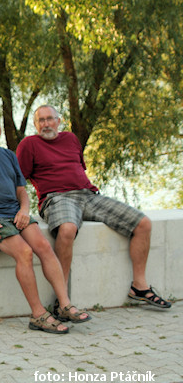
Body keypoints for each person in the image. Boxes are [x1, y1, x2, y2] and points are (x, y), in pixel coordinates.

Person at [16, 105, 171, 309]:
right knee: (67, 229)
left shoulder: (71, 139)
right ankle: (63, 300)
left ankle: (139, 286)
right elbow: (17, 181)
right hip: (56, 198)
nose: (46, 124)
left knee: (142, 223)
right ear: (35, 125)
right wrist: (21, 209)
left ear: (58, 121)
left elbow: (77, 169)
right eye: (41, 121)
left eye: (49, 119)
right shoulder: (29, 144)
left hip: (88, 195)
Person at [0, 108, 91, 334]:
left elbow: (21, 191)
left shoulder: (8, 155)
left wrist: (25, 210)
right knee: (25, 253)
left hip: (14, 213)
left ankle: (64, 304)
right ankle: (38, 315)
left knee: (45, 247)